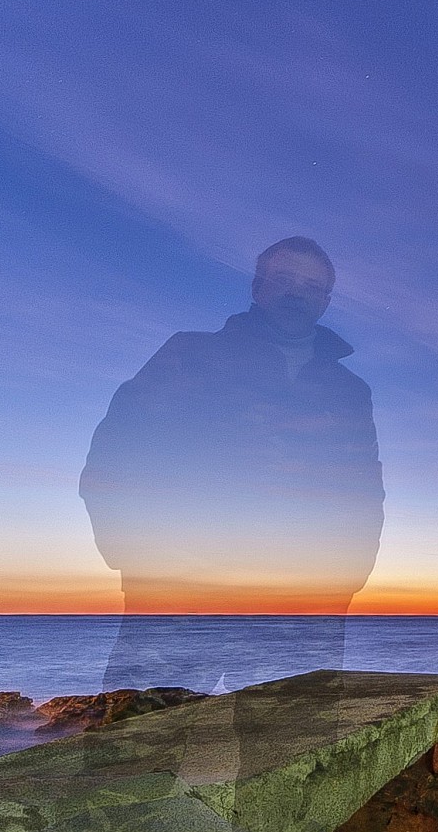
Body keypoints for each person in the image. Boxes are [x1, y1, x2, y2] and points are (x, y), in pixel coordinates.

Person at [80, 237, 385, 689]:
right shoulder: (189, 355)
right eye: (283, 279)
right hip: (179, 594)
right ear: (259, 287)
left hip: (304, 604)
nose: (296, 292)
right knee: (140, 743)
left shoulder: (349, 390)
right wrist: (135, 553)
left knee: (296, 743)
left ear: (324, 301)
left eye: (310, 285)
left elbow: (364, 488)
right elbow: (116, 450)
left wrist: (348, 576)